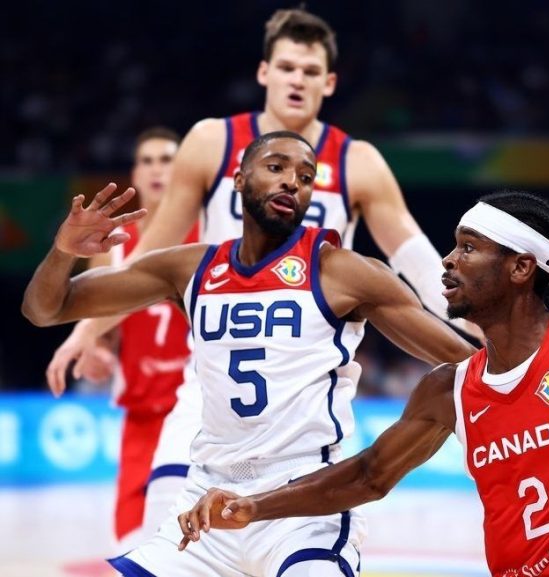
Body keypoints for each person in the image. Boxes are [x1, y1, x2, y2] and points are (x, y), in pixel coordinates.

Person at [177, 191, 549, 577]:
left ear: (520, 269)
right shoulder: (447, 389)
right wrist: (254, 505)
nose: (446, 262)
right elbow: (366, 476)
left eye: (468, 248)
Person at [45, 6, 480, 529]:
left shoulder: (357, 161)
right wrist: (87, 333)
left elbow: (412, 257)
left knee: (282, 537)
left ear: (330, 82)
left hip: (303, 389)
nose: (298, 80)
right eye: (289, 67)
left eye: (311, 71)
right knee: (167, 523)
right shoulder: (211, 142)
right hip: (212, 376)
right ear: (264, 72)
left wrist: (475, 324)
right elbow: (150, 254)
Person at [22, 132, 476, 577]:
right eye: (276, 167)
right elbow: (45, 310)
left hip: (304, 507)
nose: (291, 182)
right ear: (237, 180)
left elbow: (465, 360)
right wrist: (63, 252)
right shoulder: (189, 268)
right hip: (205, 504)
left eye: (305, 176)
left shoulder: (341, 271)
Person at [53, 127, 198, 551]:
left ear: (185, 169)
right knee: (131, 544)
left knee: (198, 545)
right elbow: (102, 325)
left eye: (167, 159)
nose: (157, 169)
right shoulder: (111, 247)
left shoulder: (209, 234)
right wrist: (97, 347)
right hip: (141, 414)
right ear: (136, 172)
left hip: (197, 413)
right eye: (148, 161)